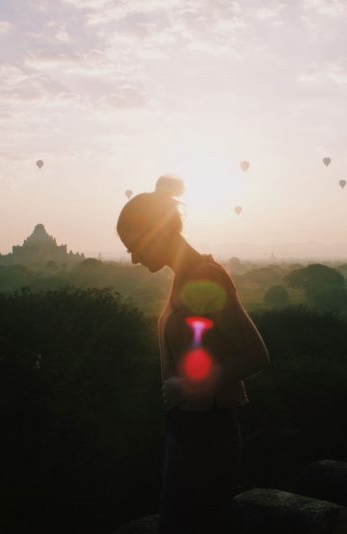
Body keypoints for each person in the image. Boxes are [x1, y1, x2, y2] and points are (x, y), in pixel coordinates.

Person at [116, 175, 270, 534]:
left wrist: (189, 386)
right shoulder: (182, 277)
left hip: (209, 435)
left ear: (157, 232)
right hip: (188, 431)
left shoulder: (205, 276)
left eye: (134, 246)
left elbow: (256, 354)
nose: (135, 258)